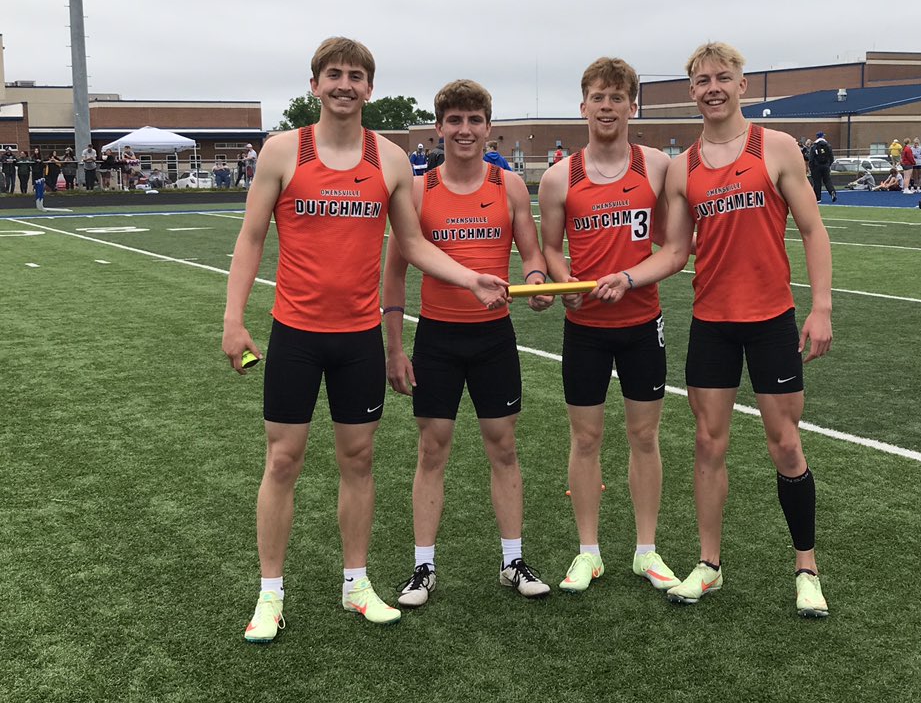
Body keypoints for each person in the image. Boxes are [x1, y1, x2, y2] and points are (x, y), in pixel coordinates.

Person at [222, 37, 509, 643]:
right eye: (334, 74)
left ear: (370, 89)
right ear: (315, 85)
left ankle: (356, 583)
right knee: (283, 460)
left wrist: (469, 278)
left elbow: (413, 243)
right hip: (296, 333)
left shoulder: (392, 159)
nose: (344, 85)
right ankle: (270, 594)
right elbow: (250, 238)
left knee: (359, 460)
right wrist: (233, 318)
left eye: (356, 76)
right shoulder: (282, 151)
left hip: (359, 338)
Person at [595, 42, 833, 618]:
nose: (713, 88)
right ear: (692, 91)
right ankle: (708, 565)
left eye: (723, 78)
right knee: (708, 443)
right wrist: (627, 276)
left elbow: (813, 229)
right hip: (712, 324)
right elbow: (675, 251)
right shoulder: (683, 168)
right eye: (702, 81)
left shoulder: (776, 147)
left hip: (771, 320)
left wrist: (821, 307)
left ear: (741, 85)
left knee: (786, 443)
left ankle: (806, 569)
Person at [383, 79, 553, 609]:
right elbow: (393, 276)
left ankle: (512, 561)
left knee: (503, 446)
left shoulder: (510, 186)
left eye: (474, 120)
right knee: (432, 449)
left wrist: (537, 280)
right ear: (439, 127)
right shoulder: (418, 190)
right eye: (454, 120)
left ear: (488, 127)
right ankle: (423, 567)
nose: (464, 129)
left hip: (494, 338)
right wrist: (394, 348)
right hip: (437, 337)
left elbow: (533, 255)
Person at [538, 56, 681, 596]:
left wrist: (628, 277)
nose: (607, 106)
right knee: (586, 437)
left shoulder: (657, 167)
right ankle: (588, 552)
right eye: (598, 97)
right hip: (586, 328)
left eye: (617, 98)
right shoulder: (559, 177)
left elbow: (674, 247)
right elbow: (552, 249)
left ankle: (646, 550)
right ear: (583, 107)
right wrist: (565, 282)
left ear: (632, 107)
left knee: (644, 435)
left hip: (643, 323)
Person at [807, 132, 837, 202]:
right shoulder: (828, 145)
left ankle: (818, 198)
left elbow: (811, 158)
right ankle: (832, 191)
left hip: (816, 167)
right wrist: (828, 164)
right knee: (827, 180)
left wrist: (811, 168)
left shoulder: (814, 146)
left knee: (817, 182)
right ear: (822, 137)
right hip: (825, 166)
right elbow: (831, 157)